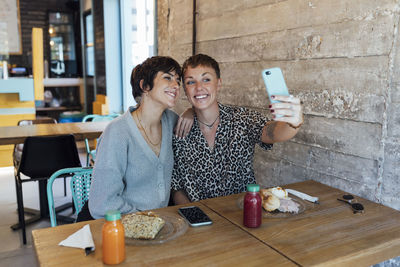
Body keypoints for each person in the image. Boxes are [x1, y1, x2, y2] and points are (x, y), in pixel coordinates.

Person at [172, 54, 303, 204]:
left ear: (219, 84)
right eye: (190, 82)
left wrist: (293, 123)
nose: (199, 88)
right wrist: (195, 216)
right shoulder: (179, 131)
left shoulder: (241, 118)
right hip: (200, 221)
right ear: (185, 89)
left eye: (206, 79)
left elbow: (273, 133)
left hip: (242, 215)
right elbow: (177, 186)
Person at [87, 56, 192, 219]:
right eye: (167, 78)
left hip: (161, 225)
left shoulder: (172, 122)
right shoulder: (117, 132)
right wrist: (145, 220)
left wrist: (192, 112)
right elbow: (102, 203)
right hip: (124, 225)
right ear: (145, 86)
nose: (176, 86)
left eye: (178, 80)